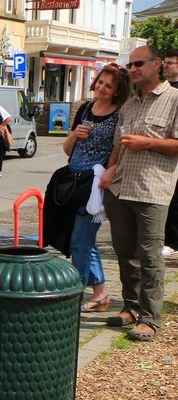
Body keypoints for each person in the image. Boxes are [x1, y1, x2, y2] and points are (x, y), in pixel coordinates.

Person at [101, 45, 178, 342]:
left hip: (152, 190)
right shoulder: (130, 104)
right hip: (121, 188)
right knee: (125, 254)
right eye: (130, 65)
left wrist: (147, 143)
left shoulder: (173, 99)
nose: (132, 69)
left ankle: (150, 318)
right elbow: (118, 145)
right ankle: (131, 307)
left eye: (138, 64)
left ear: (157, 64)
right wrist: (110, 170)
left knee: (149, 256)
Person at [59, 64, 129, 313]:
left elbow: (120, 149)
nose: (102, 88)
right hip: (74, 182)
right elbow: (67, 150)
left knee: (80, 241)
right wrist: (75, 134)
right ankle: (100, 294)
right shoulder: (85, 109)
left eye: (109, 86)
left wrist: (111, 169)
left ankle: (73, 295)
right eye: (100, 82)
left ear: (117, 91)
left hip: (96, 186)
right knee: (83, 240)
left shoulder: (120, 114)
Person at [162, 49, 178, 257]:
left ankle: (173, 241)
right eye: (164, 62)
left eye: (170, 63)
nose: (165, 66)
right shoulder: (162, 88)